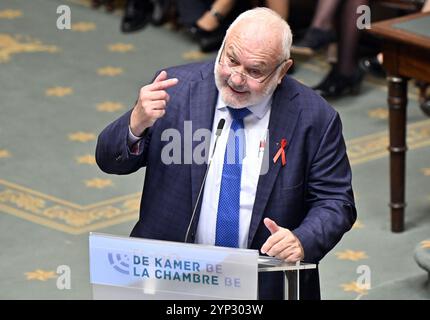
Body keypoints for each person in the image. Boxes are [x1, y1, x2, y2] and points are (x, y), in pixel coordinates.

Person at [96, 7, 356, 300]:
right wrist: (136, 122)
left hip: (263, 284)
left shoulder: (315, 117)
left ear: (282, 71)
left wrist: (302, 240)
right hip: (172, 275)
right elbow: (108, 160)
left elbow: (336, 201)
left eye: (255, 71)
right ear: (222, 47)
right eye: (231, 60)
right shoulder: (176, 91)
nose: (236, 78)